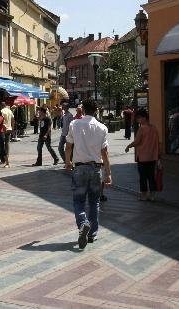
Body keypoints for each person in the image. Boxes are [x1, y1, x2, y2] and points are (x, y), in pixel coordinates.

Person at [65, 99, 111, 249]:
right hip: (96, 169)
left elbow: (68, 146)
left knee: (78, 201)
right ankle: (91, 234)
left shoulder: (74, 124)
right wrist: (108, 173)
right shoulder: (102, 127)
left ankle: (83, 222)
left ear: (83, 109)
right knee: (94, 202)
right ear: (96, 110)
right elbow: (104, 152)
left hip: (79, 168)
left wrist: (67, 162)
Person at [125, 108, 160, 201]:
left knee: (143, 177)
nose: (137, 120)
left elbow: (137, 142)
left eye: (139, 118)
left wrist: (129, 146)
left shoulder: (142, 128)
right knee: (151, 176)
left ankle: (144, 195)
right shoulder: (154, 128)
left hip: (143, 157)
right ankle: (152, 195)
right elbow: (157, 143)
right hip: (152, 157)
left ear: (144, 118)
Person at [0, 101, 14, 167]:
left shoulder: (2, 111)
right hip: (9, 128)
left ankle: (3, 158)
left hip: (3, 129)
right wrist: (12, 127)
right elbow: (13, 119)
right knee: (7, 143)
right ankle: (7, 155)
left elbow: (1, 120)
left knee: (2, 143)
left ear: (1, 105)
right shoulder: (9, 111)